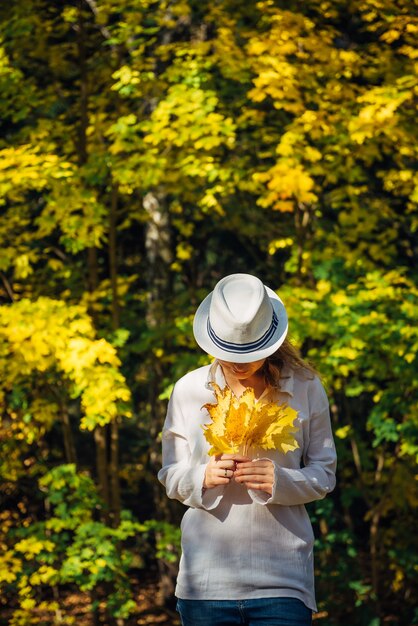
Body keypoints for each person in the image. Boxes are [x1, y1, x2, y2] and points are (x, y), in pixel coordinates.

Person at [158, 273, 337, 626]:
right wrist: (201, 477)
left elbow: (324, 474)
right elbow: (170, 476)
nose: (240, 363)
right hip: (206, 583)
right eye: (229, 353)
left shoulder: (305, 387)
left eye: (250, 353)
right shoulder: (188, 389)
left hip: (284, 581)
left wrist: (280, 481)